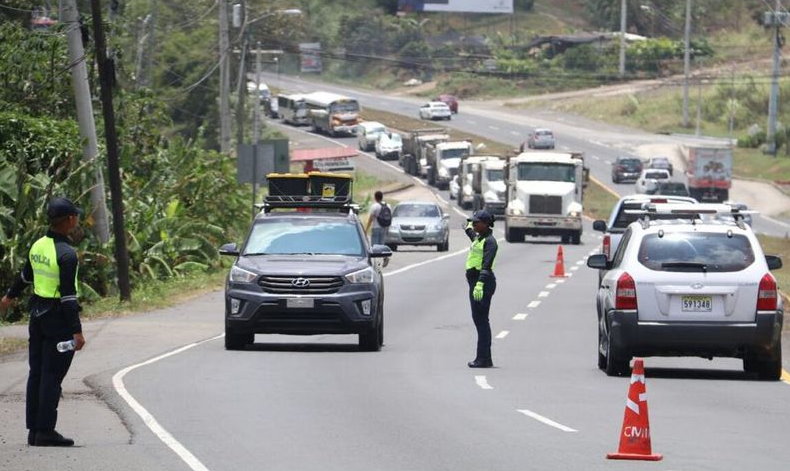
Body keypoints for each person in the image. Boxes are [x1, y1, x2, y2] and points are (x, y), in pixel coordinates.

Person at [0, 197, 86, 447]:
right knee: (52, 375)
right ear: (70, 220)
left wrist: (9, 296)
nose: (77, 219)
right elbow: (69, 297)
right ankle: (46, 430)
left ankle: (34, 430)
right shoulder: (67, 254)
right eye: (76, 216)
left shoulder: (38, 245)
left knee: (36, 373)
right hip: (58, 319)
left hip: (37, 316)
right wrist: (77, 332)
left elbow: (25, 276)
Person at [463, 210, 498, 368]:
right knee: (479, 320)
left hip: (482, 282)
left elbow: (486, 264)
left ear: (485, 224)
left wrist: (480, 284)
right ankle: (484, 357)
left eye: (477, 222)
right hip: (475, 281)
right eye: (474, 222)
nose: (474, 224)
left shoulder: (490, 242)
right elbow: (471, 235)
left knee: (482, 321)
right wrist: (468, 227)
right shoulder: (479, 238)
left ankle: (483, 358)